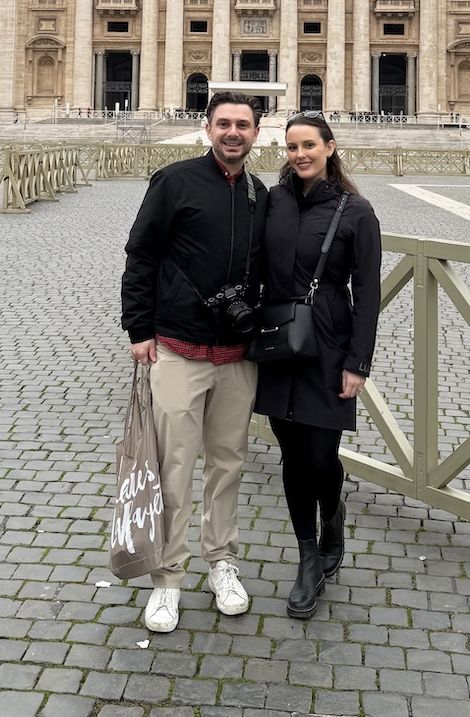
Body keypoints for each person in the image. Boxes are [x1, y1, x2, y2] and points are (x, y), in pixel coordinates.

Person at [120, 92, 269, 633]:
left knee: (227, 463)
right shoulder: (174, 180)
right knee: (174, 466)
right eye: (224, 124)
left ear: (257, 133)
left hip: (237, 356)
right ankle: (167, 576)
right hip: (178, 347)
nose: (233, 133)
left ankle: (222, 561)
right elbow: (141, 254)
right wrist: (139, 328)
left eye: (243, 125)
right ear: (207, 128)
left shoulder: (261, 193)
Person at [253, 113, 381, 618]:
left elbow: (367, 293)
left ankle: (334, 512)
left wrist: (358, 363)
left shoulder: (357, 212)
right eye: (291, 147)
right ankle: (308, 557)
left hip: (328, 343)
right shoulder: (273, 201)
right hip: (279, 342)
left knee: (320, 456)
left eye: (309, 145)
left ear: (330, 147)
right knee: (291, 455)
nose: (299, 154)